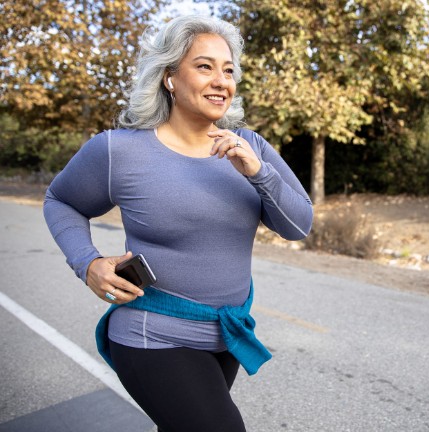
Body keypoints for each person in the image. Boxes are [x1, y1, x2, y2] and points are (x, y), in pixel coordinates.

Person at [43, 15, 313, 432]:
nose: (221, 80)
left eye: (228, 70)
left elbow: (299, 225)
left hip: (226, 336)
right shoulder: (119, 150)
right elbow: (61, 200)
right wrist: (88, 262)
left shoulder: (250, 146)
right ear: (170, 76)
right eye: (204, 66)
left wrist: (258, 172)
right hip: (153, 334)